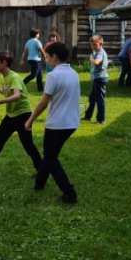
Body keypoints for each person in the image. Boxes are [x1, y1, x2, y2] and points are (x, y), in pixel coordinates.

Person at [25, 41, 81, 204]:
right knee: (50, 154)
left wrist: (30, 120)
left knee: (50, 158)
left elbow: (43, 103)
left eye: (47, 57)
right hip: (71, 123)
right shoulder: (73, 73)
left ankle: (69, 193)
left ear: (54, 57)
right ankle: (39, 183)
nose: (46, 60)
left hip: (57, 125)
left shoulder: (53, 76)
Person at [0, 50, 43, 173]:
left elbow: (16, 96)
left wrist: (0, 102)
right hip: (11, 115)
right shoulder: (4, 77)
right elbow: (8, 92)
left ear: (4, 63)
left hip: (23, 115)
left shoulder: (14, 77)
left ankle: (41, 170)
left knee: (28, 144)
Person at [83, 35, 108, 123]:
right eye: (91, 45)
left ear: (101, 44)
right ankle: (88, 116)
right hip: (97, 78)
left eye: (95, 45)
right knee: (92, 98)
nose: (93, 46)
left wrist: (91, 59)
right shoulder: (96, 52)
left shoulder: (100, 52)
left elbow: (97, 62)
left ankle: (101, 119)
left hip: (100, 79)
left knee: (100, 100)